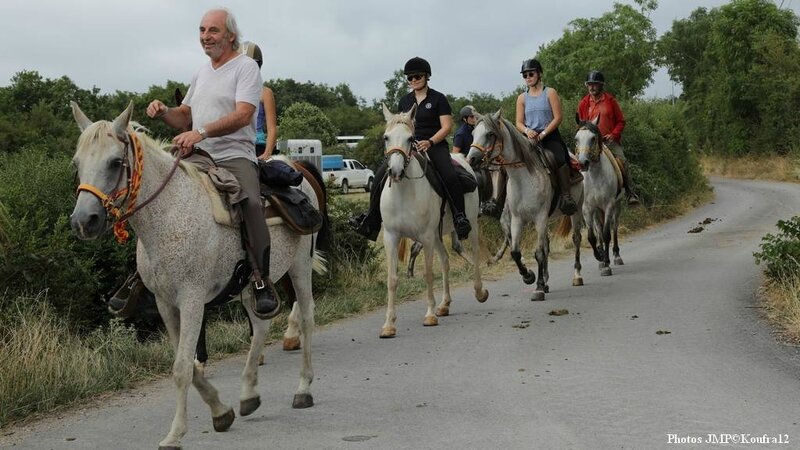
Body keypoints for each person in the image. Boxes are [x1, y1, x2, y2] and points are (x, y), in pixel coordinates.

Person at [144, 8, 280, 319]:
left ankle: (261, 279)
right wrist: (165, 111)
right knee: (154, 194)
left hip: (234, 156)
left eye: (213, 31)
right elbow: (184, 117)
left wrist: (200, 132)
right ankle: (145, 276)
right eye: (203, 30)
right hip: (197, 155)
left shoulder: (246, 69)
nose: (206, 37)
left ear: (231, 35)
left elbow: (245, 114)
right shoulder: (201, 73)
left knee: (250, 203)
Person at [350, 56, 471, 241]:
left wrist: (430, 142)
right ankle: (371, 221)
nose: (414, 80)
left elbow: (446, 126)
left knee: (449, 174)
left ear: (426, 76)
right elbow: (400, 126)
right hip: (407, 146)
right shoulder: (404, 101)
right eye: (410, 78)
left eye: (418, 76)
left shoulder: (438, 99)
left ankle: (460, 217)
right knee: (380, 175)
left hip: (434, 145)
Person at [515, 58, 577, 215]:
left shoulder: (550, 92)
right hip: (530, 137)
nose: (528, 77)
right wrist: (527, 130)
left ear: (539, 74)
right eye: (525, 75)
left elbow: (558, 118)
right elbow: (518, 122)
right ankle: (501, 200)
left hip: (549, 135)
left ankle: (566, 196)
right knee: (512, 160)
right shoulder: (522, 98)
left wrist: (543, 133)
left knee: (559, 157)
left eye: (531, 74)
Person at [577, 70, 640, 206]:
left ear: (601, 85)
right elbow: (581, 125)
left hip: (609, 142)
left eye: (595, 84)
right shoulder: (583, 103)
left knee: (622, 161)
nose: (591, 87)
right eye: (589, 84)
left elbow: (621, 121)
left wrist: (613, 135)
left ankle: (631, 192)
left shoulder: (610, 101)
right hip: (590, 143)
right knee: (578, 162)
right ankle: (577, 195)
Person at [240, 41, 278, 160]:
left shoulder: (265, 93)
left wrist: (267, 153)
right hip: (235, 145)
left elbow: (272, 128)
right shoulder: (230, 91)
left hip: (257, 145)